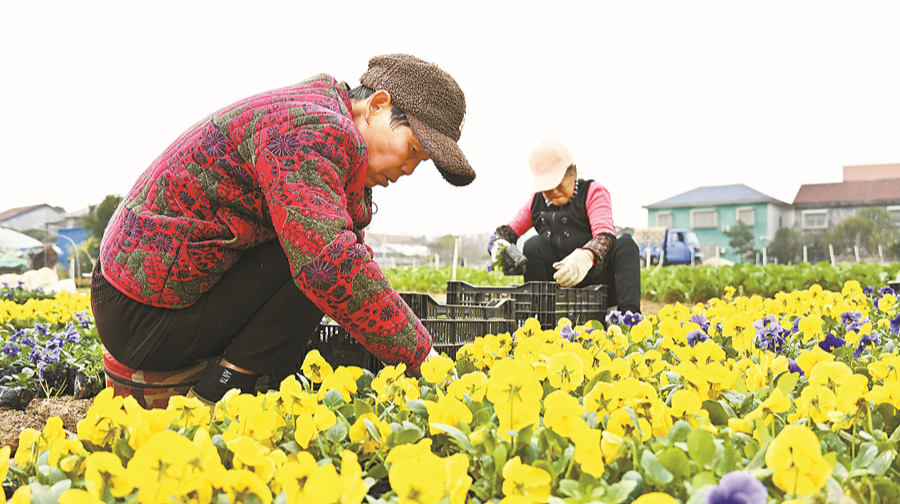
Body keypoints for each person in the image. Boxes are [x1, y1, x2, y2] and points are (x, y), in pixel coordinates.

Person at [91, 54, 473, 405]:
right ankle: (222, 389)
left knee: (325, 244)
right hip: (142, 315)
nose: (409, 169)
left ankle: (237, 379)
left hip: (135, 300)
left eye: (420, 162)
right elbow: (331, 262)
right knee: (324, 259)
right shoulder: (314, 128)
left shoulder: (314, 114)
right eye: (412, 150)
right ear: (376, 107)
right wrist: (425, 357)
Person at [487, 140, 641, 313]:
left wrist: (587, 256)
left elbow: (604, 235)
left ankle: (628, 316)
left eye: (558, 184)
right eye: (547, 188)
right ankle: (540, 316)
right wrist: (498, 243)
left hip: (598, 281)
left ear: (573, 172)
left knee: (626, 245)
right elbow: (507, 231)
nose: (553, 193)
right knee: (533, 245)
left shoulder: (593, 191)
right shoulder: (536, 202)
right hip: (559, 284)